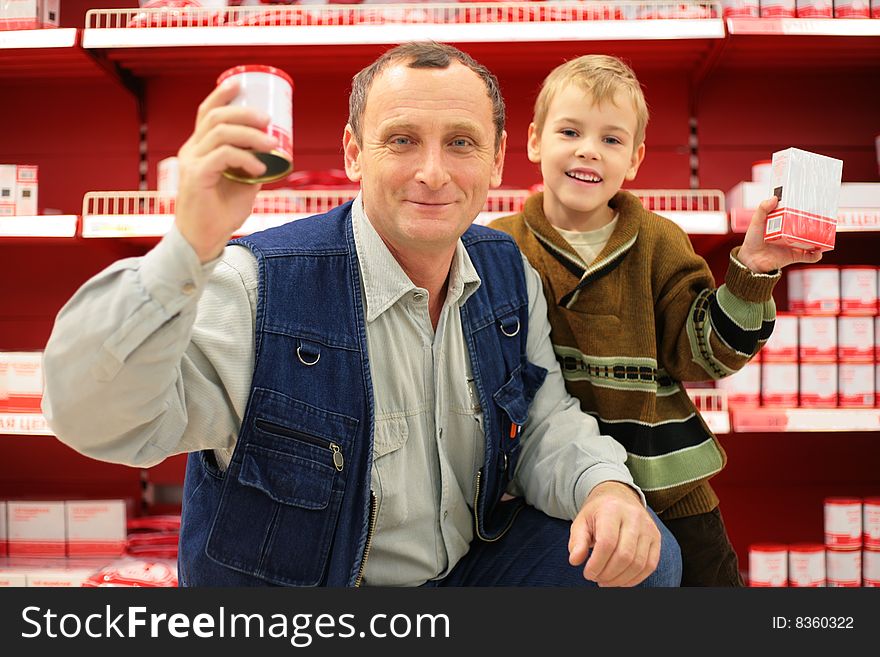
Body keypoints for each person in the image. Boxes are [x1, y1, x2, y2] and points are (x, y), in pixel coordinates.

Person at [41, 42, 681, 588]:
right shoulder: (258, 284)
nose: (432, 173)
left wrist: (605, 487)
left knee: (644, 552)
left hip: (460, 577)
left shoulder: (508, 275)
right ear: (353, 152)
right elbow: (95, 419)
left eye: (461, 143)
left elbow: (546, 424)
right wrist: (187, 246)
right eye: (401, 140)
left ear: (497, 157)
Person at [490, 55, 823, 586]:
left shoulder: (659, 242)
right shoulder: (500, 246)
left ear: (636, 159)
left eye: (612, 140)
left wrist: (753, 271)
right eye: (570, 130)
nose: (588, 150)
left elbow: (706, 353)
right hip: (550, 486)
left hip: (666, 477)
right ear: (533, 142)